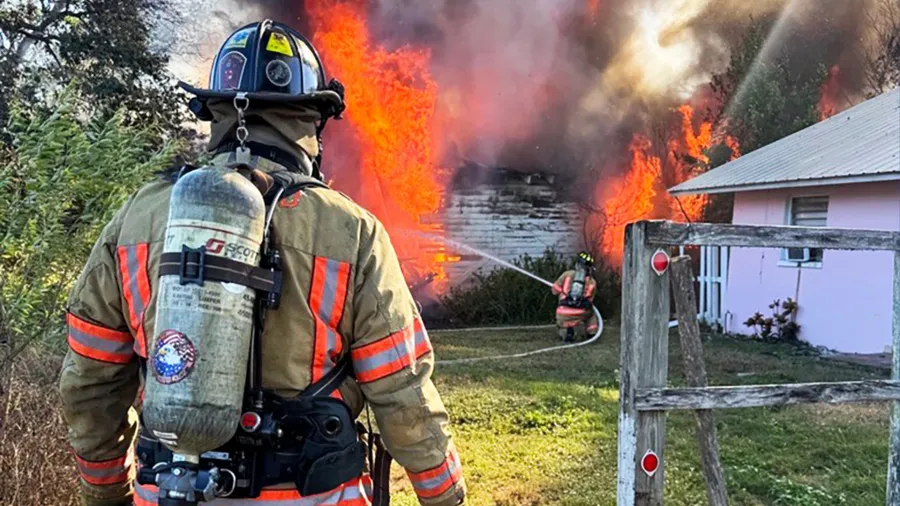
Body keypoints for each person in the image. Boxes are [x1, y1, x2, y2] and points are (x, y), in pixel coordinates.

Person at [58, 20, 466, 506]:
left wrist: (107, 492)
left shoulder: (137, 219)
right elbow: (404, 391)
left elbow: (89, 383)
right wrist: (444, 494)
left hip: (170, 490)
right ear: (312, 119)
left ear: (215, 111)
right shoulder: (350, 230)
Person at [551, 251, 600, 342]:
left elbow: (554, 291)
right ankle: (591, 332)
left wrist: (562, 291)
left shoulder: (567, 274)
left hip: (562, 312)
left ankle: (567, 332)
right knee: (591, 314)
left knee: (562, 323)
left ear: (577, 264)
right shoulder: (592, 282)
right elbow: (590, 300)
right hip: (580, 312)